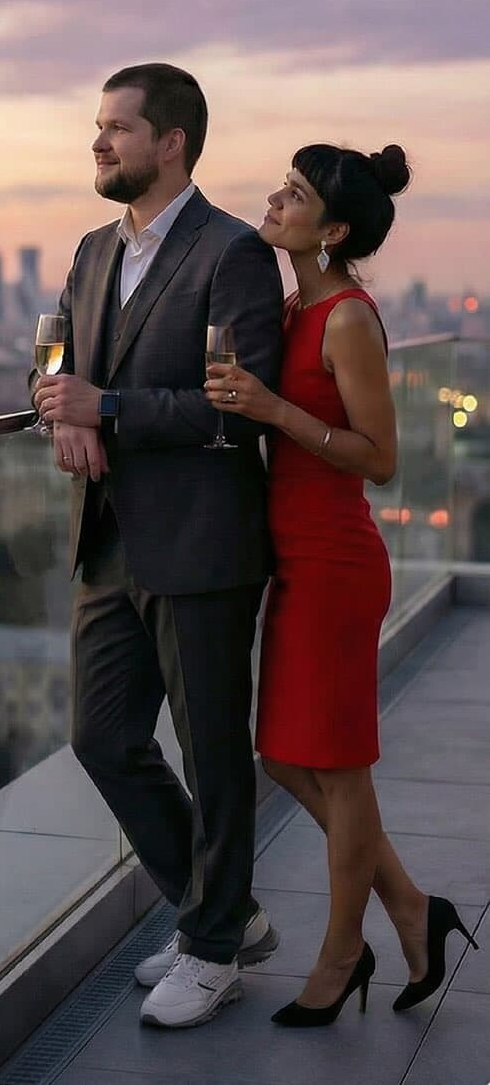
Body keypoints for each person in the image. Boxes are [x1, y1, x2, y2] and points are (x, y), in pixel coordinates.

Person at [205, 142, 479, 1027]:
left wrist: (272, 409)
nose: (276, 200)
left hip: (336, 563)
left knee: (340, 767)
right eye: (282, 185)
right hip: (296, 561)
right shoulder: (294, 306)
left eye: (297, 194)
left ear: (334, 230)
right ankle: (410, 910)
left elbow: (384, 460)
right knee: (285, 755)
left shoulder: (348, 319)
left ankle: (340, 954)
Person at [33, 63, 283, 1028]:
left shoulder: (232, 254)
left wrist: (113, 409)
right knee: (100, 737)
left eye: (117, 129)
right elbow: (53, 355)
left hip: (203, 544)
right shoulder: (94, 249)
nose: (98, 144)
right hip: (107, 542)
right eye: (97, 127)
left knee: (215, 755)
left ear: (171, 141)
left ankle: (212, 946)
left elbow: (238, 407)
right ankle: (224, 914)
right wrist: (64, 411)